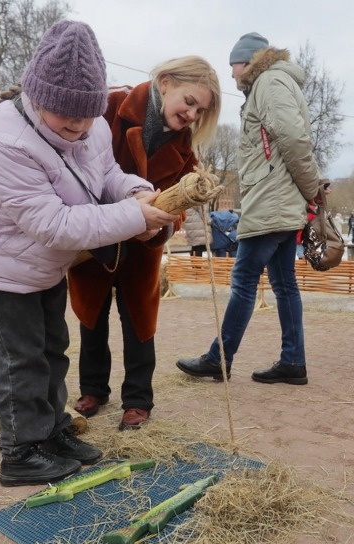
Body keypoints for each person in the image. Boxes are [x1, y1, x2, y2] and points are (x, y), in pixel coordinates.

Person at [0, 20, 178, 487]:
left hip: (40, 262)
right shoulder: (6, 139)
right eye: (64, 118)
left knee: (53, 350)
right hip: (0, 262)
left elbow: (107, 174)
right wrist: (134, 218)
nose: (76, 128)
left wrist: (139, 192)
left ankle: (52, 432)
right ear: (36, 98)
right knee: (19, 359)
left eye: (84, 118)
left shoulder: (90, 126)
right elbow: (53, 224)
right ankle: (20, 451)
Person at [66, 55, 221, 429]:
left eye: (200, 111)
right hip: (94, 238)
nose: (192, 116)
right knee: (91, 315)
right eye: (189, 102)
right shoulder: (108, 106)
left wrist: (160, 228)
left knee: (139, 321)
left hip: (141, 249)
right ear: (165, 82)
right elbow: (75, 163)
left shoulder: (187, 151)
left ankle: (138, 399)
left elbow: (180, 206)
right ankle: (93, 389)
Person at [176, 32, 324, 385]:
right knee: (284, 283)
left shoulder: (270, 82)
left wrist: (311, 189)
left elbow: (291, 138)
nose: (231, 74)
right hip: (281, 201)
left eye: (234, 65)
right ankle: (292, 361)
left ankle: (219, 359)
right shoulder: (274, 83)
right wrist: (306, 194)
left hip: (272, 202)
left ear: (250, 61)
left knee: (243, 279)